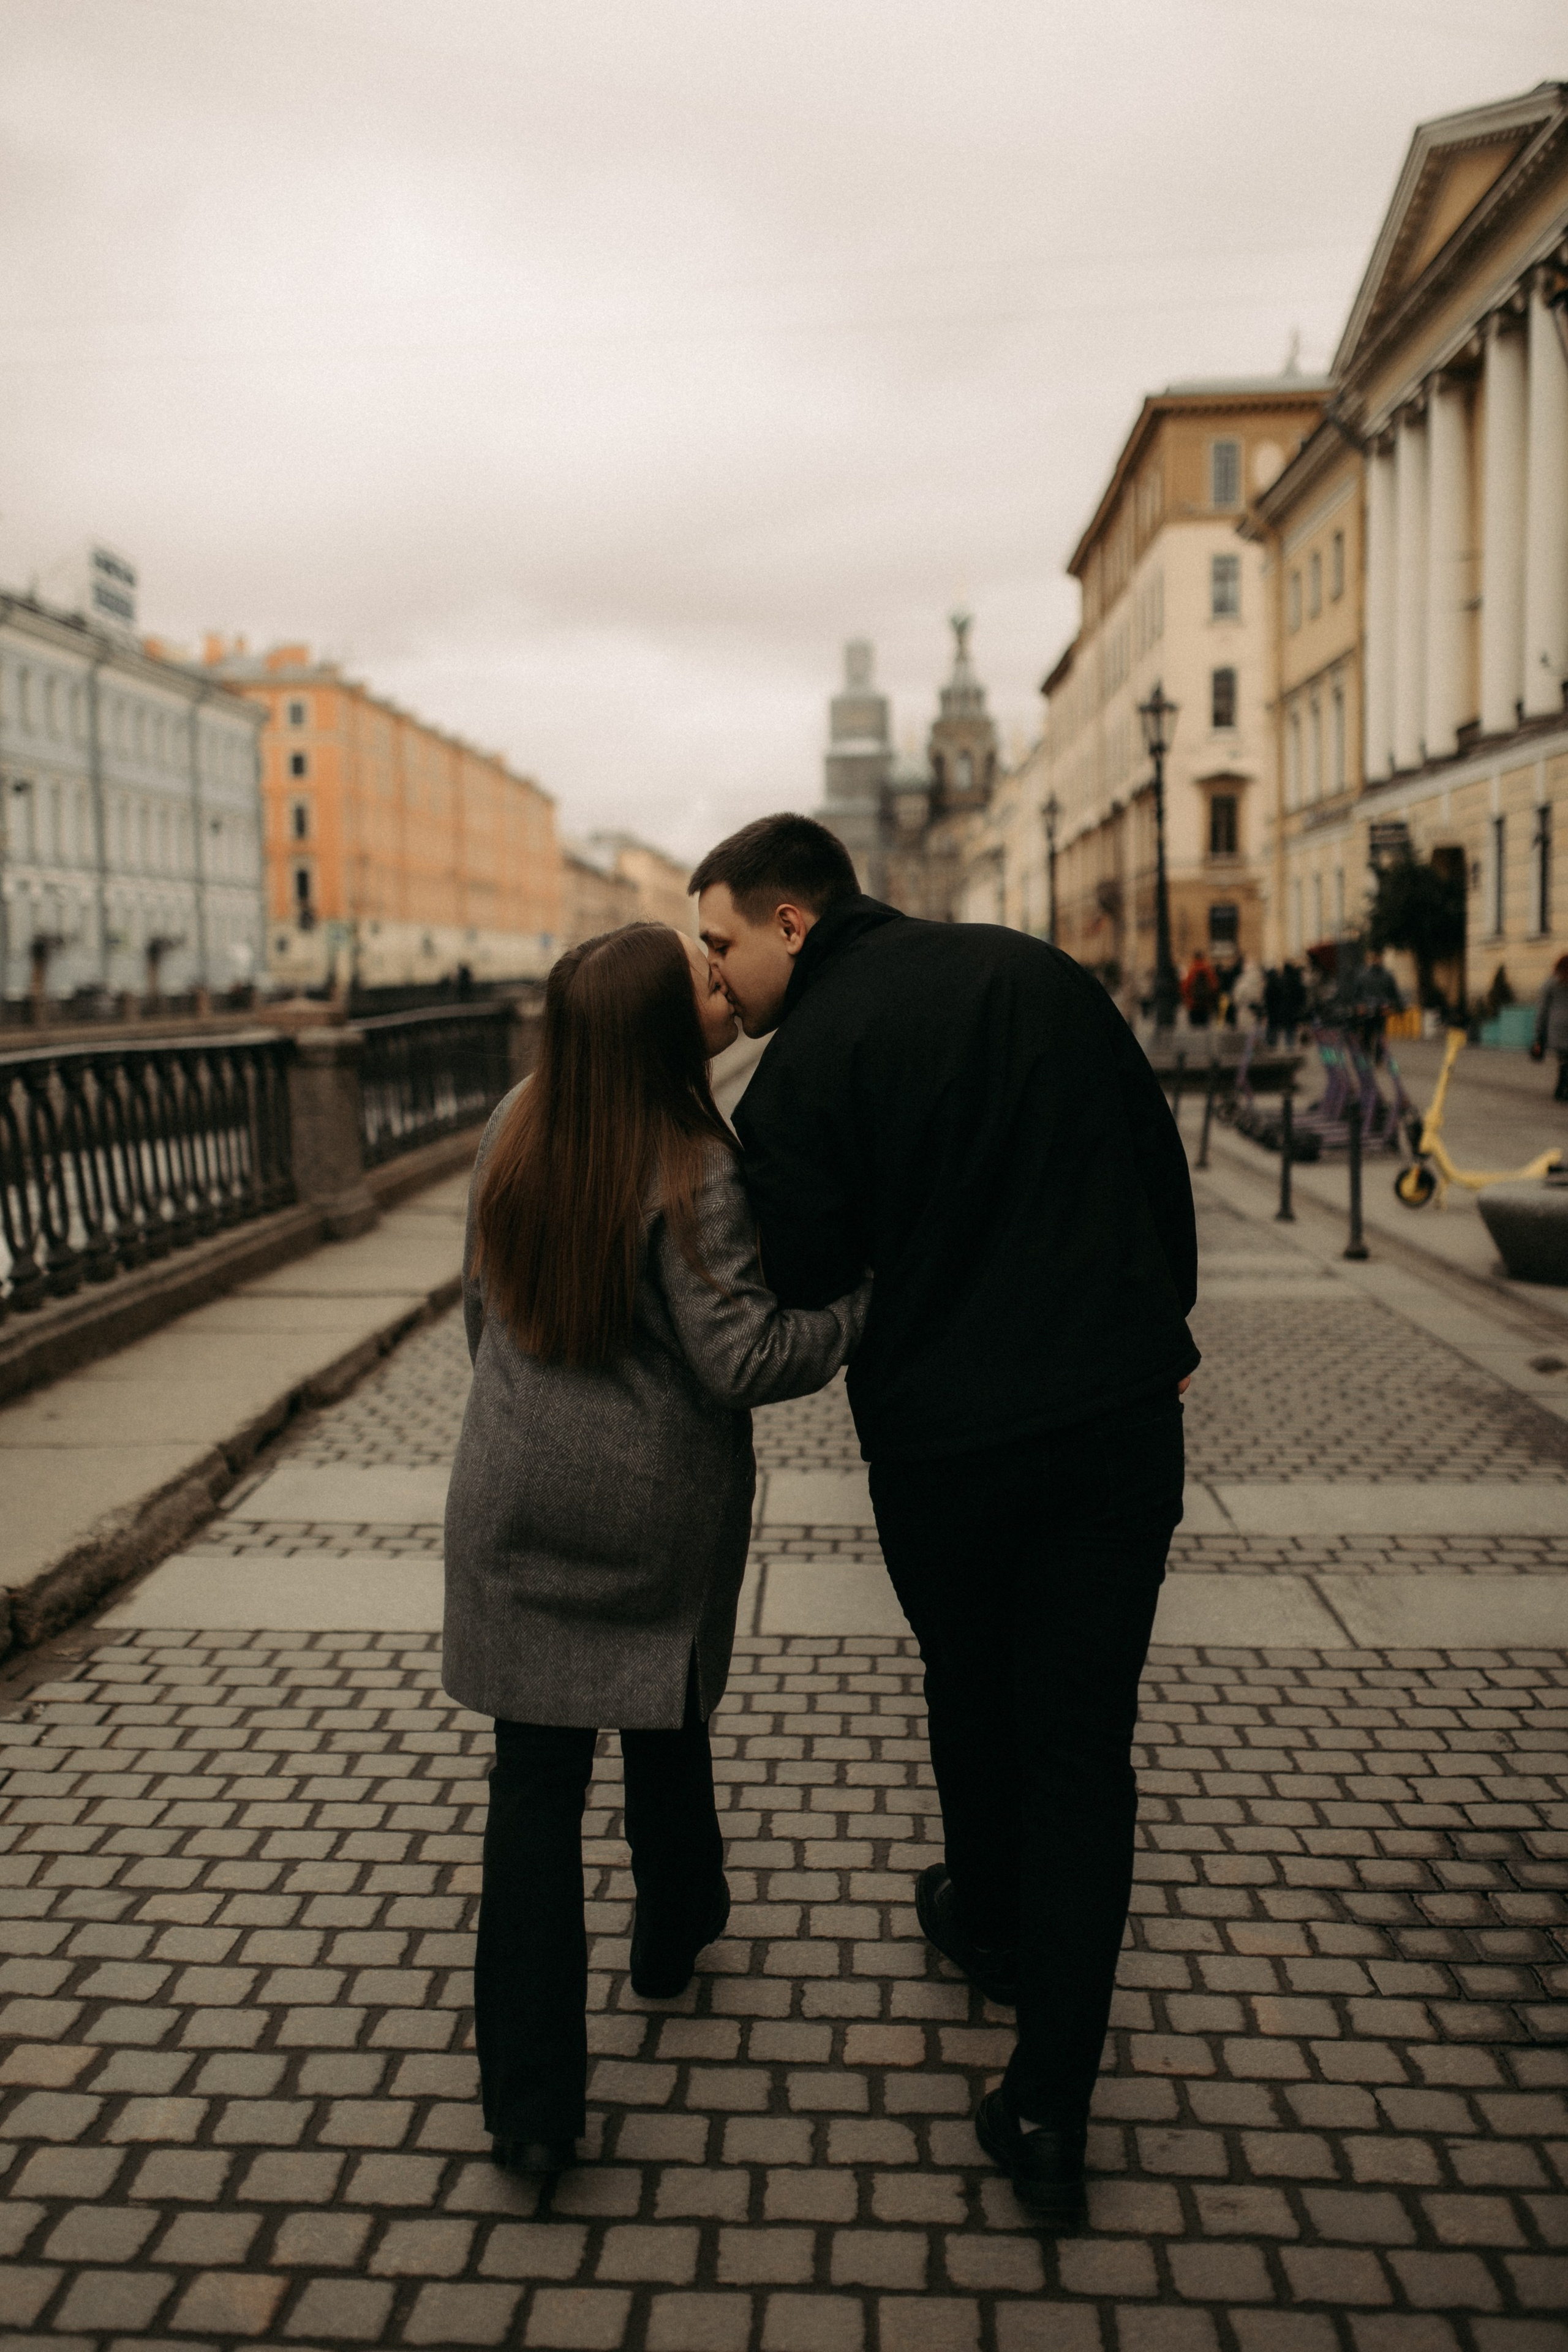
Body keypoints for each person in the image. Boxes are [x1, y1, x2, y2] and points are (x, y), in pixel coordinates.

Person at [691, 815, 1197, 2228]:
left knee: (970, 1687)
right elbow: (1156, 1171)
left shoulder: (801, 1077)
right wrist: (1156, 1330)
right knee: (1081, 1748)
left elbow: (794, 1267)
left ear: (793, 920)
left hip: (944, 1446)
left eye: (721, 942)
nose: (716, 979)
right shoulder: (1036, 974)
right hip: (1112, 1422)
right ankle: (1046, 2104)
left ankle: (986, 1915)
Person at [443, 922, 869, 2175]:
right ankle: (673, 1928)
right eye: (695, 972)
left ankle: (528, 2111)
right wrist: (857, 1307)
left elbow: (477, 1312)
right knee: (665, 1703)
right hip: (648, 1510)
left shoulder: (512, 1121)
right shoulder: (693, 1159)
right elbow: (738, 1359)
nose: (716, 977)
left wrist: (533, 1422)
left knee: (532, 1791)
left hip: (512, 1495)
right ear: (654, 1025)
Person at [1532, 953, 1568, 1102]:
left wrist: (1539, 1033)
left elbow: (1543, 1010)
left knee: (1563, 1058)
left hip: (1557, 1027)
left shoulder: (1551, 983)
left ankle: (1561, 1089)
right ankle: (1562, 1089)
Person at [1181, 951, 1216, 1027]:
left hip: (1193, 1004)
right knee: (1205, 1028)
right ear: (1203, 958)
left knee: (1194, 1029)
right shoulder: (1208, 969)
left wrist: (1187, 1000)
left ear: (1194, 958)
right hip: (1206, 1004)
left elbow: (1185, 987)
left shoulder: (1192, 970)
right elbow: (1214, 986)